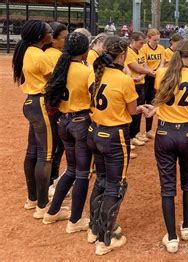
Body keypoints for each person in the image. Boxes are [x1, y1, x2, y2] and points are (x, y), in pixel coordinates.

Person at [143, 40, 188, 253]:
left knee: (167, 185)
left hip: (165, 132)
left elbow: (165, 98)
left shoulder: (162, 73)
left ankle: (172, 237)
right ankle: (187, 226)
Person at [87, 35, 147, 255]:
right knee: (116, 185)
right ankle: (106, 238)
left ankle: (94, 228)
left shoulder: (94, 73)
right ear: (121, 55)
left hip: (95, 132)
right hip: (114, 136)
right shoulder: (123, 79)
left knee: (101, 181)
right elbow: (132, 110)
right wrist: (143, 109)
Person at [43, 32, 93, 232]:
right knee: (82, 172)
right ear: (84, 51)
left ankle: (52, 212)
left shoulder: (60, 67)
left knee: (71, 169)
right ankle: (75, 220)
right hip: (80, 122)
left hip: (63, 122)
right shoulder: (85, 70)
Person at [12, 20, 54, 218]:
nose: (51, 32)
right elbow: (55, 80)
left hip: (31, 103)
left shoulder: (28, 51)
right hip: (41, 104)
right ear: (40, 36)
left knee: (33, 151)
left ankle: (33, 199)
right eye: (48, 31)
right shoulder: (40, 55)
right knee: (45, 155)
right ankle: (43, 205)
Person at [43, 22, 68, 193]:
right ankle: (51, 182)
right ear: (53, 40)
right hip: (54, 105)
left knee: (55, 145)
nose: (66, 41)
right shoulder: (53, 55)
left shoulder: (56, 53)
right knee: (55, 146)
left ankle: (51, 180)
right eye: (64, 38)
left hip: (52, 103)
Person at [125, 32, 156, 155]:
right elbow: (135, 67)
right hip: (132, 85)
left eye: (143, 43)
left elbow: (144, 66)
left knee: (139, 110)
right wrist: (148, 72)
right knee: (132, 111)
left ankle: (135, 134)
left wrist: (144, 74)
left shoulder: (141, 51)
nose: (142, 45)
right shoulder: (128, 52)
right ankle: (130, 137)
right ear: (133, 40)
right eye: (140, 43)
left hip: (141, 83)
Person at [141, 28, 165, 140]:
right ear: (149, 38)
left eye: (158, 40)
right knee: (142, 103)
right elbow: (144, 63)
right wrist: (150, 72)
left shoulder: (161, 48)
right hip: (146, 77)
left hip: (155, 78)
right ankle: (136, 132)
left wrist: (157, 72)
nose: (157, 42)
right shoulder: (144, 48)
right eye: (155, 40)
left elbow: (162, 62)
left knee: (151, 102)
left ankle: (149, 130)